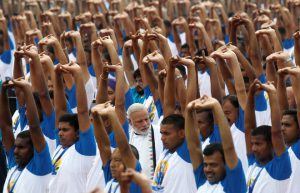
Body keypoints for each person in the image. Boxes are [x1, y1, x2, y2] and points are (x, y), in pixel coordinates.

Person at [48, 62, 96, 193]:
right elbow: (59, 108)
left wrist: (78, 75)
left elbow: (82, 112)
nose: (60, 134)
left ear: (78, 133)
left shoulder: (85, 149)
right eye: (59, 130)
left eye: (65, 130)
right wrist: (56, 76)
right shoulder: (60, 147)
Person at [0, 78, 52, 193]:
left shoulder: (41, 167)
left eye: (21, 147)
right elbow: (5, 126)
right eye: (16, 146)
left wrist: (27, 89)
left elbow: (34, 127)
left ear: (34, 149)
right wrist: (3, 92)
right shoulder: (15, 163)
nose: (15, 151)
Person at [185, 96, 246, 193]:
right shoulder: (203, 180)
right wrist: (188, 110)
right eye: (205, 165)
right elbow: (193, 146)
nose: (208, 169)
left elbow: (229, 147)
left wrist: (215, 105)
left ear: (225, 165)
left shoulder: (233, 185)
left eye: (213, 165)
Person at [244, 80, 291, 193]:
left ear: (272, 144)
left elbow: (276, 133)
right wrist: (251, 94)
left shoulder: (280, 168)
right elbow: (248, 127)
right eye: (253, 144)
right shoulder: (253, 162)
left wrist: (272, 94)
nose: (254, 148)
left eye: (259, 144)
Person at [91, 102, 142, 193]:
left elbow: (125, 149)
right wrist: (95, 115)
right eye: (112, 160)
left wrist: (111, 113)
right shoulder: (111, 179)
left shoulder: (133, 180)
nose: (112, 164)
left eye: (118, 160)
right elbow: (103, 146)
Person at [152, 114, 197, 193]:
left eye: (167, 134)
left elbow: (191, 120)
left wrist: (190, 107)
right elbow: (168, 105)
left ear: (182, 133)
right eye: (161, 133)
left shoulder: (186, 154)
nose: (162, 138)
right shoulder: (164, 152)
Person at [127, 103, 163, 180]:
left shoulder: (161, 133)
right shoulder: (127, 137)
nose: (145, 124)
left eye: (147, 119)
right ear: (130, 122)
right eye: (140, 121)